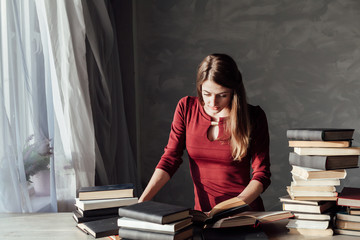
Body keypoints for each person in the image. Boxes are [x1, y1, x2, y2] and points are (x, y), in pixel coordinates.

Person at [139, 53, 271, 212]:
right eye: (207, 94)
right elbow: (170, 159)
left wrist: (231, 207)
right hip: (204, 215)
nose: (213, 103)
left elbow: (261, 174)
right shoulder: (186, 108)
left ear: (234, 92)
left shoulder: (254, 117)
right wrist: (141, 203)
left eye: (222, 95)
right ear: (200, 87)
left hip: (243, 213)